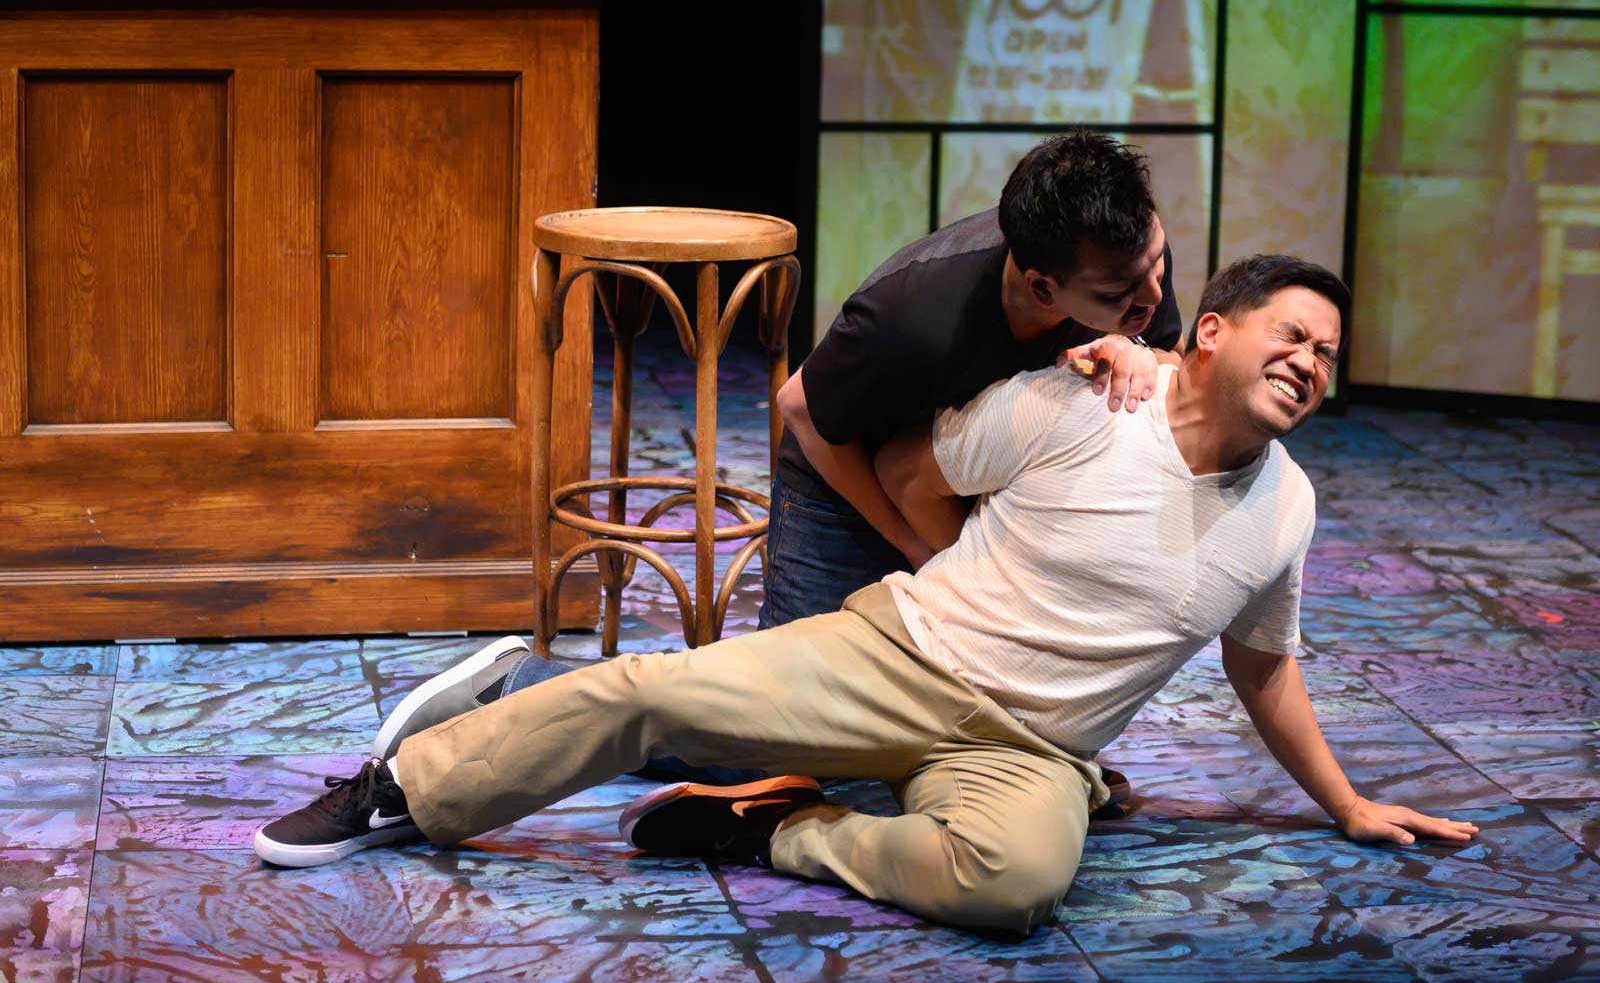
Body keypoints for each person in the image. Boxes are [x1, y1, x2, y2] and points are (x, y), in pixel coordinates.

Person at [253, 255, 1478, 936]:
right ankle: (406, 787)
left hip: (1030, 749)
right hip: (903, 653)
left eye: (1327, 353)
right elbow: (906, 464)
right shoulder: (1079, 402)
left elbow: (1262, 662)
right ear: (1210, 331)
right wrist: (953, 570)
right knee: (646, 691)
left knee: (1016, 886)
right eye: (1291, 334)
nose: (1309, 362)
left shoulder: (1287, 505)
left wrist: (1347, 801)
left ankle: (778, 829)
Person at [364, 129, 1182, 801]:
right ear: (1041, 287)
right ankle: (522, 683)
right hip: (844, 479)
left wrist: (1140, 349)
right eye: (1123, 295)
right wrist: (916, 546)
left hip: (962, 478)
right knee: (765, 745)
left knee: (936, 700)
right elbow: (802, 411)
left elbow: (1162, 369)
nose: (1150, 294)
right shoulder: (916, 316)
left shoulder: (1127, 267)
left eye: (1157, 262)